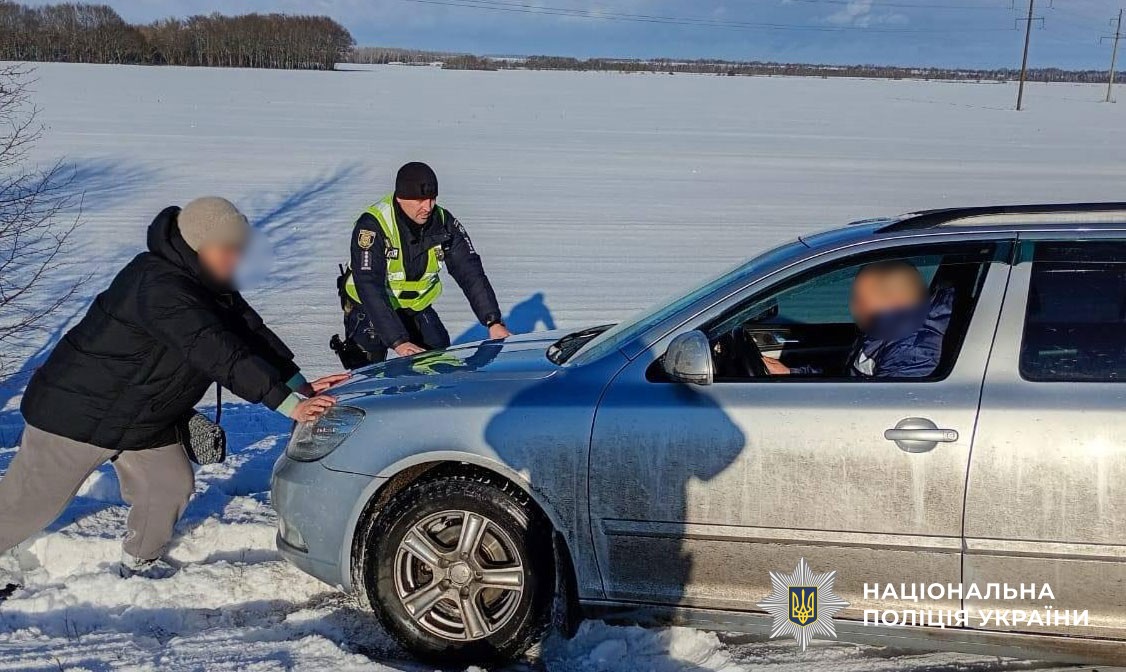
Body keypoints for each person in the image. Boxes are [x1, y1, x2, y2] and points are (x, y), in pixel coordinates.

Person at [0, 197, 346, 595]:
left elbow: (247, 334)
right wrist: (289, 405)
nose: (235, 262)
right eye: (227, 251)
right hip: (77, 412)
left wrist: (298, 384)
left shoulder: (207, 282)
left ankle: (140, 560)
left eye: (239, 251)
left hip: (143, 414)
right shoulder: (157, 285)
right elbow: (217, 350)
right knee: (27, 506)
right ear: (198, 244)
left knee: (168, 487)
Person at [331, 162, 510, 368]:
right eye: (420, 200)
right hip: (369, 307)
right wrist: (398, 341)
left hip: (415, 307)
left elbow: (470, 271)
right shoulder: (372, 225)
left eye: (432, 199)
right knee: (365, 373)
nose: (428, 207)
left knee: (438, 362)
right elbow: (368, 285)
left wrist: (493, 321)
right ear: (400, 198)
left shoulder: (444, 222)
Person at [763, 260, 953, 378]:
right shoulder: (886, 331)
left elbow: (881, 408)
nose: (853, 308)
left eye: (860, 300)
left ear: (896, 301)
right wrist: (791, 374)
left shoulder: (911, 352)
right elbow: (849, 379)